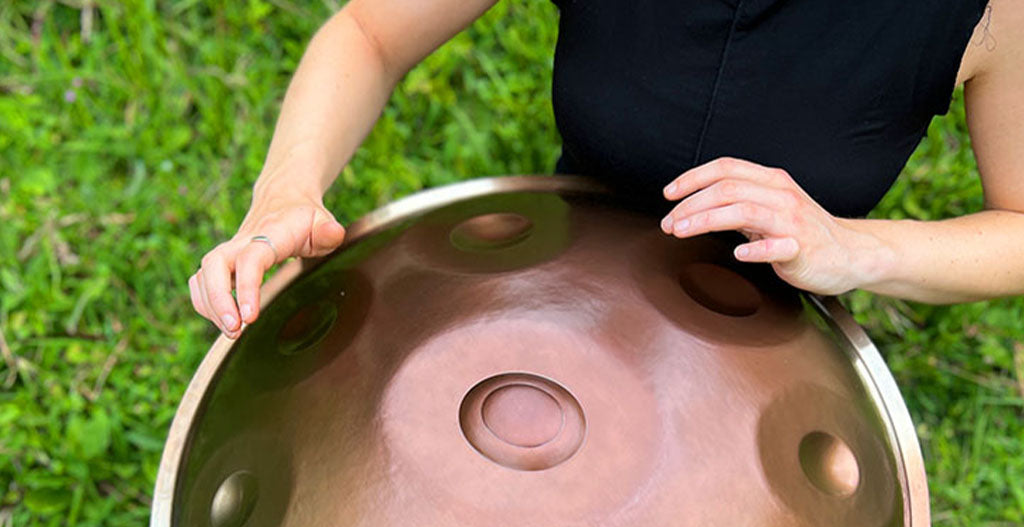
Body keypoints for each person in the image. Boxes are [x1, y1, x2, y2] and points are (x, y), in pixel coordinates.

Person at [188, 0, 1024, 339]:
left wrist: (856, 249)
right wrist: (286, 193)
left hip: (767, 351)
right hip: (558, 290)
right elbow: (369, 35)